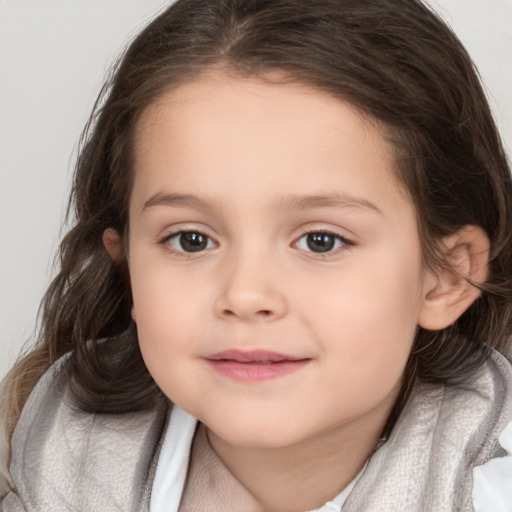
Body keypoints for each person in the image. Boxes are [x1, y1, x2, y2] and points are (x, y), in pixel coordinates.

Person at [1, 0, 511, 510]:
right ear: (128, 268)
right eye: (191, 239)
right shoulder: (46, 460)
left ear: (446, 276)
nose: (246, 296)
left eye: (321, 241)